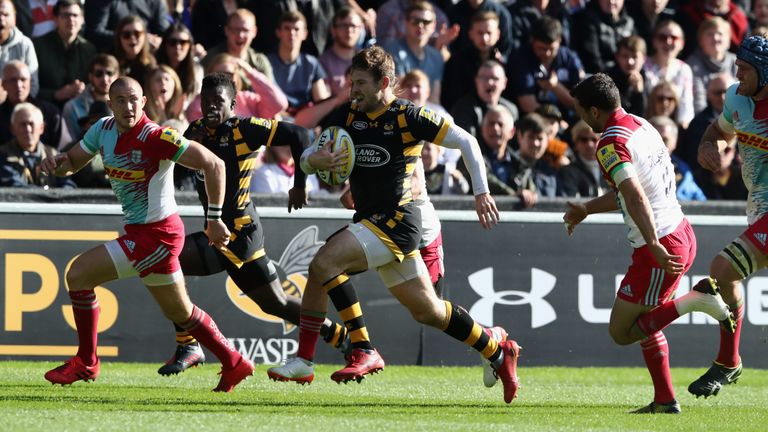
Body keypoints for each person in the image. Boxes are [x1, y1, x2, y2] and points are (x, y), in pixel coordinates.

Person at [267, 46, 521, 405]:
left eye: (359, 83)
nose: (352, 90)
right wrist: (313, 161)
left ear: (384, 82)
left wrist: (481, 192)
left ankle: (337, 354)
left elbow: (466, 140)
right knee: (428, 311)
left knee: (324, 263)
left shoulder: (409, 117)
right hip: (374, 222)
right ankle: (496, 349)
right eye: (350, 81)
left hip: (398, 221)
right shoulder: (352, 113)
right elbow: (310, 153)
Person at [40, 76, 254, 392]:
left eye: (134, 99)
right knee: (180, 311)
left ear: (143, 102)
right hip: (145, 234)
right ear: (110, 104)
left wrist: (214, 220)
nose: (128, 106)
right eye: (121, 100)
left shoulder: (157, 137)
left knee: (79, 274)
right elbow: (71, 163)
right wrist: (56, 164)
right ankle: (234, 361)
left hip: (157, 235)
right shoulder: (102, 130)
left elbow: (215, 164)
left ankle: (86, 363)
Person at [564, 72, 734, 414]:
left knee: (622, 331)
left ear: (595, 112)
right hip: (680, 230)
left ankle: (698, 299)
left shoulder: (609, 143)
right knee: (647, 321)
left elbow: (634, 194)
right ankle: (665, 400)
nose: (580, 118)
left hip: (661, 245)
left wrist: (654, 243)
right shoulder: (640, 124)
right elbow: (631, 192)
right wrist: (586, 208)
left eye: (581, 111)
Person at [157, 73, 347, 375]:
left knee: (167, 262)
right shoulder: (196, 131)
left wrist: (300, 184)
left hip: (240, 233)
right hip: (226, 234)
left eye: (217, 101)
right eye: (205, 101)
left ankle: (189, 344)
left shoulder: (244, 129)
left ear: (233, 104)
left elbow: (299, 134)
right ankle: (336, 334)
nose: (210, 107)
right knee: (275, 303)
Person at [689, 34, 768, 398]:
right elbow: (719, 129)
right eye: (737, 65)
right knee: (727, 276)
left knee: (722, 269)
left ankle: (727, 362)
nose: (737, 74)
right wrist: (709, 144)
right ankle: (730, 361)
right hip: (758, 208)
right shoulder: (737, 97)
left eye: (746, 69)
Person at [32, 0, 96, 107]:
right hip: (44, 107)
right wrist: (56, 94)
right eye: (65, 15)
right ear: (55, 19)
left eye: (75, 15)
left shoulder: (89, 49)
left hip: (80, 107)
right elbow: (30, 87)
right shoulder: (37, 46)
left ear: (82, 19)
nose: (71, 19)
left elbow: (94, 85)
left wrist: (82, 89)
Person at [0, 102, 75, 188]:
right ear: (12, 129)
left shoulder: (54, 154)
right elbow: (13, 185)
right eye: (23, 124)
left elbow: (68, 185)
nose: (28, 129)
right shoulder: (3, 155)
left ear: (41, 128)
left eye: (31, 124)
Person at [383, 1, 444, 104]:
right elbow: (400, 92)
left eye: (426, 22)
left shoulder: (437, 56)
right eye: (415, 21)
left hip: (426, 111)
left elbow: (434, 98)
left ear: (434, 25)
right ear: (406, 23)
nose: (420, 25)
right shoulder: (392, 50)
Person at [62, 54, 120, 141]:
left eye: (109, 73)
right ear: (90, 77)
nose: (104, 78)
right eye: (98, 73)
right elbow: (71, 144)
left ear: (117, 76)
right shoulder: (72, 107)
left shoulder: (125, 104)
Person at [649, 115, 707, 201]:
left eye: (664, 140)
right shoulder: (635, 167)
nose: (659, 145)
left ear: (674, 143)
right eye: (655, 140)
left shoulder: (684, 171)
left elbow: (702, 204)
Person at [557, 120, 606, 197]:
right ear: (575, 144)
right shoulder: (568, 172)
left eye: (594, 139)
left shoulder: (609, 168)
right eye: (584, 139)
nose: (589, 144)